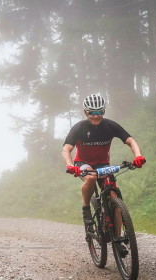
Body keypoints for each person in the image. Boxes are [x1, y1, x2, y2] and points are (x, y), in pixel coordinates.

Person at [62, 94, 146, 229]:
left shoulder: (110, 126)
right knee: (91, 177)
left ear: (104, 111)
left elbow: (130, 140)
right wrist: (70, 165)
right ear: (85, 112)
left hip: (103, 164)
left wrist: (138, 156)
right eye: (92, 112)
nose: (96, 116)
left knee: (113, 197)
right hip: (83, 163)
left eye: (100, 112)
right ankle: (86, 208)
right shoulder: (79, 128)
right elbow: (66, 149)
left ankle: (118, 241)